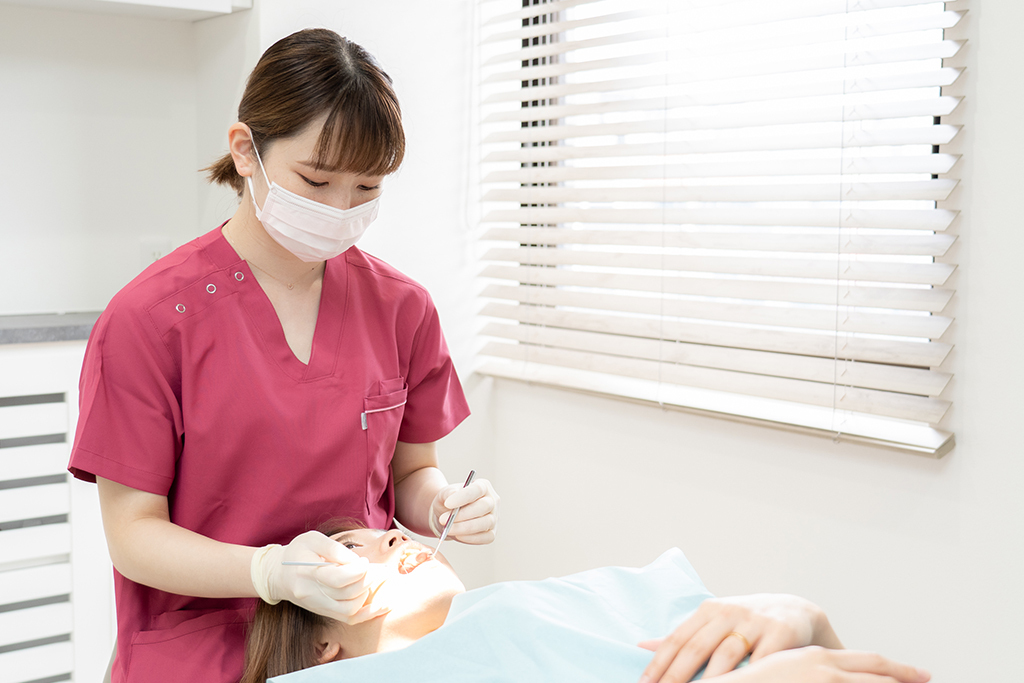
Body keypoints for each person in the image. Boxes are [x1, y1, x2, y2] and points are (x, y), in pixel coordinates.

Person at [67, 28, 498, 683]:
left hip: (356, 652)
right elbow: (132, 534)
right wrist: (264, 570)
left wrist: (441, 504)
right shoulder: (151, 320)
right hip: (199, 653)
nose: (341, 210)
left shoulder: (402, 308)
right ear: (246, 152)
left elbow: (411, 477)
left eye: (366, 189)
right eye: (317, 180)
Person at [241, 524, 932, 683]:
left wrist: (798, 613)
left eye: (390, 529)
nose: (394, 533)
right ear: (321, 647)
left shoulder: (535, 603)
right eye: (356, 548)